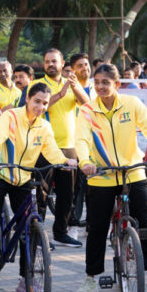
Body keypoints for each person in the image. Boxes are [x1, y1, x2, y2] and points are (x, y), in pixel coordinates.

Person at [0, 82, 76, 292]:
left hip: (23, 178)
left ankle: (25, 279)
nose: (40, 107)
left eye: (45, 103)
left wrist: (65, 161)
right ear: (27, 99)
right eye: (37, 101)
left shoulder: (44, 126)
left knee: (30, 228)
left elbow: (51, 150)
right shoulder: (10, 117)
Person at [75, 64, 147, 292]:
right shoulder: (87, 110)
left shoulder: (131, 104)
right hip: (101, 175)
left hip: (132, 172)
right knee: (97, 228)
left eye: (105, 82)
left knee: (144, 225)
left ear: (117, 84)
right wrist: (85, 161)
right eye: (97, 82)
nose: (100, 87)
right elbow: (81, 139)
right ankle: (91, 278)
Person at [27, 49, 89, 248]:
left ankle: (60, 233)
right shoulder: (37, 85)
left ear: (63, 63)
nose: (51, 64)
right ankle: (37, 235)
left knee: (67, 195)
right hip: (43, 148)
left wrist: (74, 87)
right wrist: (61, 93)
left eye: (54, 61)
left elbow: (87, 105)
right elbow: (35, 108)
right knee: (41, 194)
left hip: (69, 147)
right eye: (47, 61)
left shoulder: (71, 84)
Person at [67, 53, 94, 239]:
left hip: (95, 144)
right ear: (73, 69)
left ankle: (91, 224)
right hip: (76, 143)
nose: (85, 68)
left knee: (95, 188)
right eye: (80, 65)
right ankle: (73, 225)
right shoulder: (70, 89)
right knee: (78, 188)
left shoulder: (96, 87)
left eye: (86, 64)